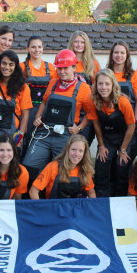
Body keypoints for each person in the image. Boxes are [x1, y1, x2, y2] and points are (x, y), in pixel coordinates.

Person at [22, 49, 92, 185]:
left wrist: (79, 128)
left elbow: (90, 113)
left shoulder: (84, 88)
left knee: (62, 172)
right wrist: (38, 116)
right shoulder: (53, 82)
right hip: (44, 132)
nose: (62, 72)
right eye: (59, 68)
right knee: (28, 168)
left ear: (74, 67)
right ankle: (34, 194)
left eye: (66, 68)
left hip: (65, 135)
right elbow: (44, 102)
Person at [87, 69, 135, 197]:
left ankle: (121, 198)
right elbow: (96, 125)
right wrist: (101, 146)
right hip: (107, 138)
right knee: (102, 163)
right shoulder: (92, 100)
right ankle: (102, 198)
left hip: (125, 137)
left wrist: (123, 149)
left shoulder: (123, 101)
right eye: (100, 84)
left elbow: (131, 126)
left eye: (107, 84)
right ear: (96, 85)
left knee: (121, 165)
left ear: (113, 85)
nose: (104, 87)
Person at [29, 134, 96, 199]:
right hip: (53, 205)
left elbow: (91, 193)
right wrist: (43, 206)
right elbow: (33, 191)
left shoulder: (85, 170)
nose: (76, 154)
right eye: (73, 149)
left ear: (84, 153)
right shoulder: (53, 166)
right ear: (67, 150)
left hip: (74, 206)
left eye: (80, 151)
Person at [20, 36, 56, 152]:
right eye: (33, 47)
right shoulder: (21, 67)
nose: (37, 50)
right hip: (27, 110)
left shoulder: (50, 67)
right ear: (27, 48)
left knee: (43, 138)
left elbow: (54, 91)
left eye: (39, 47)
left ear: (43, 48)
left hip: (45, 110)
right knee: (25, 139)